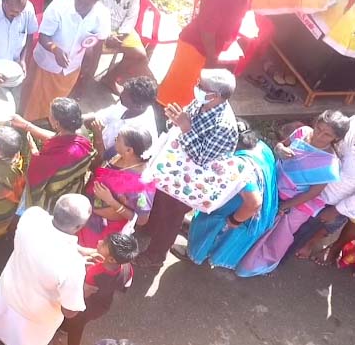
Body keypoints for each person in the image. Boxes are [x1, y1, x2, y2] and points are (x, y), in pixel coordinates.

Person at [136, 69, 239, 267]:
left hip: (190, 183)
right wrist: (177, 122)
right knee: (158, 203)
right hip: (172, 169)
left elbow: (202, 159)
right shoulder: (202, 103)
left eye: (202, 87)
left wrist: (185, 128)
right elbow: (185, 120)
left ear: (215, 95)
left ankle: (156, 255)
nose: (197, 88)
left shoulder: (224, 126)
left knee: (171, 217)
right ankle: (149, 228)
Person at [0, 194, 92, 345]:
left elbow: (49, 239)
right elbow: (69, 311)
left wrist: (77, 250)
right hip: (35, 316)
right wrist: (84, 291)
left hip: (8, 290)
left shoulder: (32, 216)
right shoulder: (73, 265)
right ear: (78, 227)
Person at [157, 0, 271, 106]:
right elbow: (207, 31)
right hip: (196, 48)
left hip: (211, 47)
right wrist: (212, 58)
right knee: (174, 96)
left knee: (190, 93)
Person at [236, 111, 346, 277]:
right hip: (276, 185)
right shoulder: (302, 132)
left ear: (335, 139)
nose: (319, 135)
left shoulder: (329, 164)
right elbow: (282, 144)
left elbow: (313, 193)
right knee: (258, 221)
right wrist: (281, 149)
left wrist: (286, 206)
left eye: (327, 135)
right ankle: (237, 250)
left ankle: (259, 264)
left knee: (278, 235)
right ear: (315, 124)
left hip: (299, 204)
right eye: (319, 128)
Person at [181, 121, 277, 269]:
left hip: (242, 210)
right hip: (261, 208)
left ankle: (194, 255)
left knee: (207, 228)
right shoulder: (261, 147)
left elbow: (254, 203)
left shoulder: (239, 166)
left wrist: (235, 220)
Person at [21, 0, 110, 122]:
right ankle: (27, 125)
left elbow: (99, 44)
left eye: (86, 5)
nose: (80, 7)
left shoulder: (102, 14)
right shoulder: (59, 7)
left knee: (57, 103)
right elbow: (43, 36)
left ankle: (48, 125)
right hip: (46, 64)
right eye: (79, 2)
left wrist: (91, 72)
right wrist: (55, 50)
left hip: (72, 66)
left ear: (95, 3)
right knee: (33, 101)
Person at [12, 98, 96, 214]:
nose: (48, 116)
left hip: (51, 198)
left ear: (56, 123)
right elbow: (56, 138)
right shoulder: (82, 138)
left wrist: (32, 148)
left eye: (50, 115)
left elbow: (36, 173)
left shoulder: (61, 156)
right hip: (72, 188)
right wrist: (26, 125)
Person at [79, 126, 155, 248]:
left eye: (118, 139)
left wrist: (111, 201)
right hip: (88, 211)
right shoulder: (116, 153)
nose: (115, 140)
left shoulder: (142, 184)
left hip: (104, 227)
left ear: (129, 150)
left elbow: (141, 220)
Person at [59, 233, 139, 345]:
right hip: (103, 305)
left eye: (104, 244)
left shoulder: (93, 272)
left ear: (111, 259)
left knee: (76, 325)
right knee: (79, 322)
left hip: (86, 306)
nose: (100, 241)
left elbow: (82, 294)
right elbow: (126, 285)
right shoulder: (127, 267)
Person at [293, 122, 355, 262]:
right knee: (299, 221)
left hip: (336, 200)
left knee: (322, 223)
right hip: (317, 182)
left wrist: (337, 210)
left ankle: (309, 244)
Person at [90, 0, 150, 93]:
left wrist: (120, 36)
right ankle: (84, 82)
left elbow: (131, 17)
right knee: (90, 53)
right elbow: (92, 18)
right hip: (97, 31)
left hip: (123, 31)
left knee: (140, 56)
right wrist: (107, 36)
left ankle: (109, 79)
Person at [84, 76, 159, 162]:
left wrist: (98, 137)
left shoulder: (136, 134)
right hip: (100, 144)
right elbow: (100, 116)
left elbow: (105, 161)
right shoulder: (130, 104)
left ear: (137, 106)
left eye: (125, 96)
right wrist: (76, 117)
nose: (121, 94)